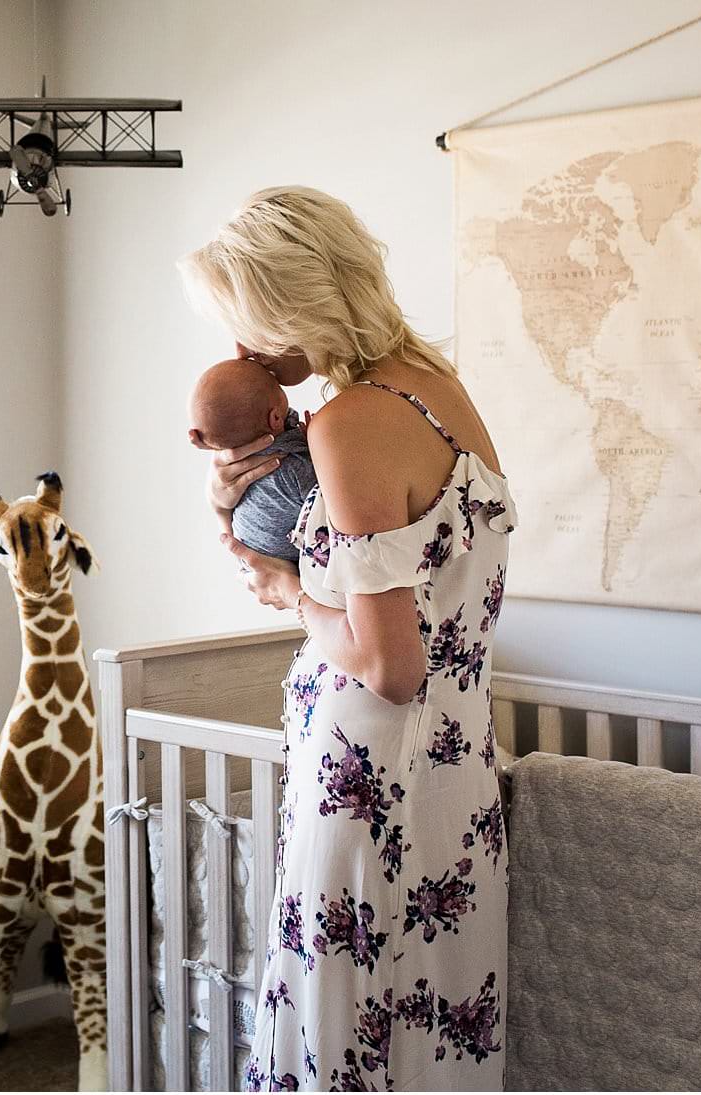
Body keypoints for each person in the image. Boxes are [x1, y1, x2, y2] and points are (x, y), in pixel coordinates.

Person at [180, 185, 517, 1092]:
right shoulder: (439, 389)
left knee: (342, 1042)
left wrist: (288, 588)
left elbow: (388, 664)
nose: (244, 349)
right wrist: (242, 521)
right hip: (454, 773)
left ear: (296, 304)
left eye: (250, 321)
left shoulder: (348, 421)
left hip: (372, 781)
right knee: (430, 1035)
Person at [188, 357, 317, 562]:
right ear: (275, 419)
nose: (242, 352)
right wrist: (318, 448)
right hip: (295, 570)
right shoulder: (292, 465)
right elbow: (332, 492)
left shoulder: (236, 466)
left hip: (251, 558)